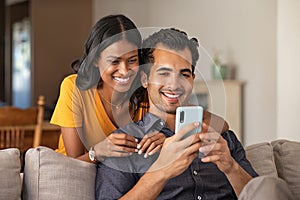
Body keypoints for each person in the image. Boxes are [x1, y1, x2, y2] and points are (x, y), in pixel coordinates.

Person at [95, 28, 294, 199]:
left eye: (184, 73)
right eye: (164, 73)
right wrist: (161, 171)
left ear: (192, 79)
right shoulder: (125, 143)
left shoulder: (221, 137)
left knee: (270, 186)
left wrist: (230, 166)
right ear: (145, 79)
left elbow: (256, 193)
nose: (174, 85)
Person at [50, 15, 229, 162]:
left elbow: (220, 124)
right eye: (114, 61)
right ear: (96, 60)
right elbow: (72, 162)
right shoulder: (74, 88)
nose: (125, 70)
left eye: (132, 60)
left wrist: (170, 137)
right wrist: (98, 151)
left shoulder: (146, 91)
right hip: (76, 172)